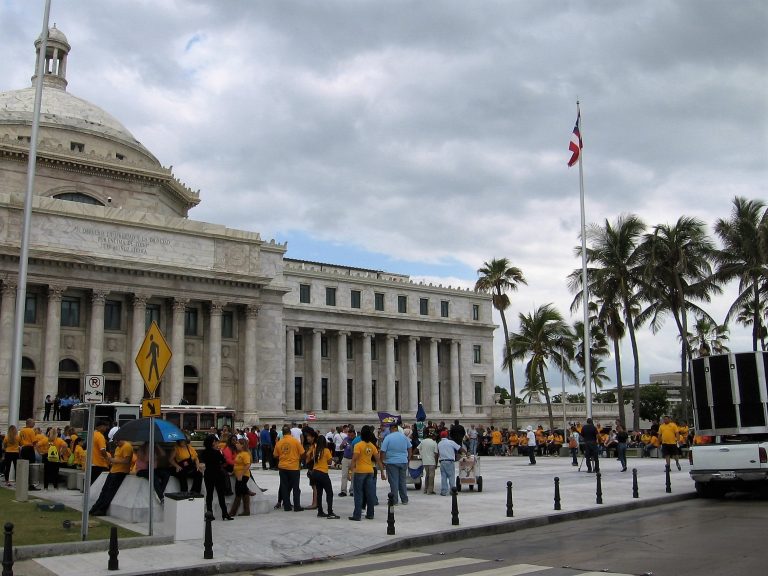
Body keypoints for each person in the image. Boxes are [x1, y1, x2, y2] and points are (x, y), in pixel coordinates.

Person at [348, 425, 385, 521]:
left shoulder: (358, 445)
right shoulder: (372, 446)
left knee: (358, 493)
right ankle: (370, 514)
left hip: (360, 471)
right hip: (370, 471)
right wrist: (382, 472)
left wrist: (350, 471)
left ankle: (357, 515)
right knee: (370, 493)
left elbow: (354, 459)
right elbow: (378, 460)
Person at [89, 439, 133, 516]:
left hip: (120, 472)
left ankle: (102, 509)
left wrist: (113, 460)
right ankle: (96, 507)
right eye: (115, 442)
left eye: (117, 441)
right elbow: (116, 459)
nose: (116, 443)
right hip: (113, 471)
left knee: (110, 491)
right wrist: (110, 460)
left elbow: (127, 461)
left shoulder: (127, 446)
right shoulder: (118, 447)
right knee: (104, 490)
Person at [198, 434, 233, 520]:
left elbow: (202, 462)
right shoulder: (217, 452)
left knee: (209, 494)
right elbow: (223, 461)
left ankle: (210, 513)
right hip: (218, 473)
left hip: (208, 474)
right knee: (221, 494)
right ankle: (224, 513)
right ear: (213, 442)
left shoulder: (204, 452)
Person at [380, 421, 412, 505]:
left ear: (392, 428)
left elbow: (383, 450)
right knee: (402, 481)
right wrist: (408, 457)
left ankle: (394, 500)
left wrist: (382, 460)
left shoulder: (388, 437)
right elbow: (410, 447)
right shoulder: (404, 437)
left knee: (394, 482)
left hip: (392, 462)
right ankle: (404, 499)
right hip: (403, 461)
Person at [274, 424, 305, 511]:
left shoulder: (279, 443)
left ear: (282, 433)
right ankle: (297, 506)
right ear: (290, 432)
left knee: (284, 486)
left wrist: (282, 457)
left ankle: (287, 506)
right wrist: (298, 460)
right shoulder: (295, 441)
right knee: (296, 487)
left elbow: (275, 455)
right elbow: (302, 453)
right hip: (294, 467)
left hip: (282, 467)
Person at [307, 433, 338, 518]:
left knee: (319, 493)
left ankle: (320, 511)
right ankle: (330, 512)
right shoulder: (326, 450)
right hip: (323, 473)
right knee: (329, 493)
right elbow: (329, 462)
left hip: (315, 472)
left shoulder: (315, 450)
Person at [229, 439, 252, 516]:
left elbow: (247, 465)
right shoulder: (240, 453)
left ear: (242, 445)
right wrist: (233, 472)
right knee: (242, 492)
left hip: (243, 476)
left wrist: (241, 474)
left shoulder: (245, 454)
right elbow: (237, 465)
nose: (236, 444)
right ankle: (246, 510)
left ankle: (233, 511)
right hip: (238, 475)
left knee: (238, 492)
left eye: (238, 443)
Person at [437, 430, 464, 496]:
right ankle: (453, 491)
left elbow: (437, 453)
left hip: (442, 462)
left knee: (443, 477)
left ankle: (443, 491)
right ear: (447, 435)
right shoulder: (450, 442)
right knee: (451, 476)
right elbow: (459, 448)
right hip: (450, 461)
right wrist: (466, 452)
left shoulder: (439, 443)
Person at [338, 428, 356, 497]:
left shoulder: (356, 440)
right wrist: (343, 445)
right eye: (349, 435)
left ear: (354, 434)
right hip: (345, 458)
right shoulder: (346, 439)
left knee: (353, 476)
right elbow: (340, 448)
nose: (350, 437)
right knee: (344, 475)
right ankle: (343, 491)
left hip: (353, 459)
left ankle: (352, 490)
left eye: (351, 435)